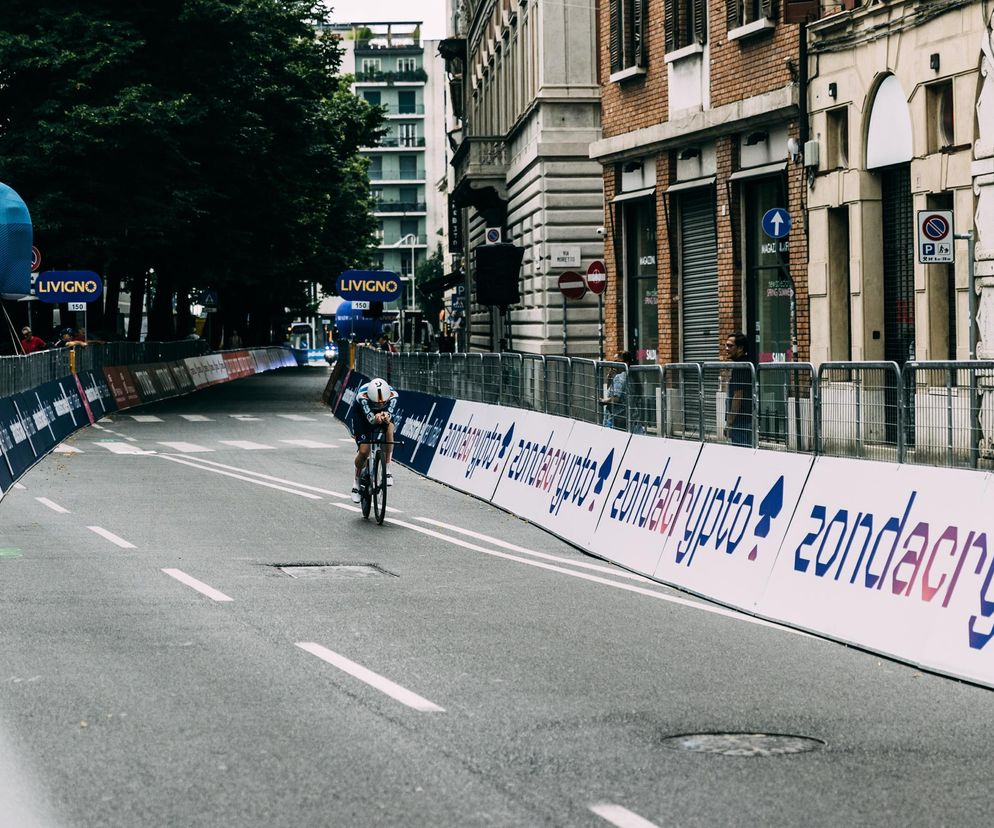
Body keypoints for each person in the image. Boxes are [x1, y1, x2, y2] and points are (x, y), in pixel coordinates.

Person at [349, 376, 399, 503]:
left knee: (390, 428)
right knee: (364, 451)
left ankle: (387, 469)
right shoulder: (363, 396)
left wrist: (386, 416)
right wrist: (375, 418)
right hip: (362, 416)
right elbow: (371, 420)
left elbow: (389, 415)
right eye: (377, 403)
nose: (380, 404)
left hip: (381, 414)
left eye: (383, 403)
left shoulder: (393, 395)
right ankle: (356, 482)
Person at [724, 331, 754, 447]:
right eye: (726, 345)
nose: (726, 349)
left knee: (741, 453)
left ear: (740, 348)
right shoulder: (747, 363)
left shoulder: (740, 367)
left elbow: (737, 396)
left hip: (740, 421)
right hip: (748, 418)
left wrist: (729, 423)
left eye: (730, 346)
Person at [600, 351, 634, 430]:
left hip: (615, 417)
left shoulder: (619, 377)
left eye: (616, 361)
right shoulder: (630, 375)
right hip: (626, 416)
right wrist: (610, 377)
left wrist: (603, 401)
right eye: (613, 361)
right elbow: (611, 390)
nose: (614, 364)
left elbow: (616, 398)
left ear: (626, 363)